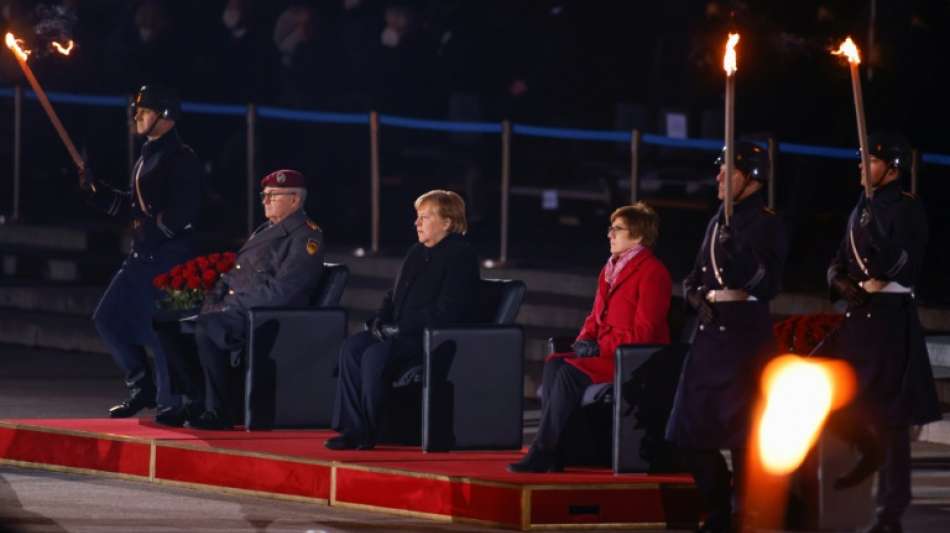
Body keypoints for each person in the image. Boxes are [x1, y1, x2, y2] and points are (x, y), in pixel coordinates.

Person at [665, 141, 788, 533]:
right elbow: (698, 271)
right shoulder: (720, 216)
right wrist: (693, 293)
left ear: (751, 177)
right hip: (708, 336)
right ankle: (719, 506)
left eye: (727, 171)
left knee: (742, 438)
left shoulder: (767, 222)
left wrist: (742, 257)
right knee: (686, 433)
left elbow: (768, 284)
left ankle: (739, 516)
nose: (718, 177)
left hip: (743, 338)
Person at [825, 132, 940, 533]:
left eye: (869, 161)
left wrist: (877, 238)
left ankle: (891, 510)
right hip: (860, 316)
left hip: (891, 316)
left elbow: (904, 264)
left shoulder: (907, 209)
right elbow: (839, 259)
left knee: (892, 419)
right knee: (841, 405)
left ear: (891, 168)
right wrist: (838, 281)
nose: (861, 166)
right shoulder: (861, 208)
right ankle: (860, 474)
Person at [508, 202, 672, 473]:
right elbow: (594, 317)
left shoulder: (653, 272)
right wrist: (583, 341)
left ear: (639, 236)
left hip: (633, 359)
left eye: (617, 229)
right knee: (554, 363)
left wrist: (598, 347)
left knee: (568, 374)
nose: (610, 234)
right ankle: (558, 451)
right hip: (605, 353)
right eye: (611, 228)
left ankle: (543, 450)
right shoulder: (609, 269)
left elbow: (645, 332)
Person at [158, 169, 326, 430]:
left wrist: (227, 306)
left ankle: (219, 411)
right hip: (236, 308)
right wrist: (213, 299)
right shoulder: (266, 229)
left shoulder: (306, 236)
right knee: (168, 323)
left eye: (273, 195)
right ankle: (196, 399)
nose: (266, 200)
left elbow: (284, 292)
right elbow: (234, 274)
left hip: (267, 317)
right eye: (264, 195)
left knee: (208, 327)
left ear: (295, 200)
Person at [80, 84, 202, 420]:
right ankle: (141, 386)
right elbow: (135, 208)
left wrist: (154, 232)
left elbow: (183, 213)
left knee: (162, 328)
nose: (136, 115)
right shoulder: (148, 154)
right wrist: (99, 193)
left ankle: (172, 400)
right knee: (108, 318)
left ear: (166, 117)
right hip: (143, 256)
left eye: (145, 110)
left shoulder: (182, 157)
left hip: (171, 258)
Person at [326, 190, 479, 450]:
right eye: (417, 217)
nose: (416, 223)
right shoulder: (417, 251)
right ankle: (353, 428)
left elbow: (448, 310)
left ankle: (371, 429)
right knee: (352, 348)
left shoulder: (461, 255)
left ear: (447, 222)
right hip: (398, 333)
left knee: (375, 356)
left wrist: (400, 327)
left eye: (425, 217)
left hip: (431, 338)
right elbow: (394, 295)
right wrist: (380, 317)